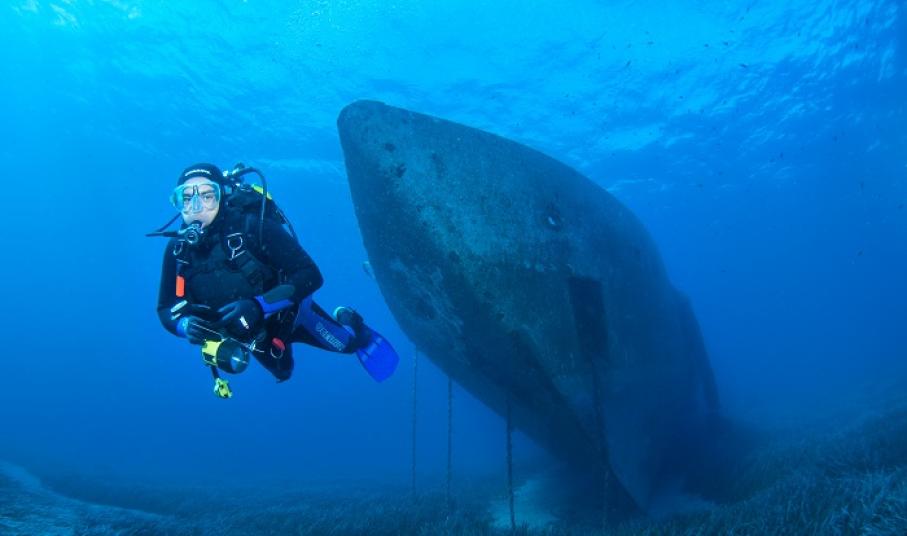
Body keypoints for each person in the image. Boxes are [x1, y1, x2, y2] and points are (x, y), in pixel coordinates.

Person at [155, 163, 392, 384]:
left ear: (222, 197)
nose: (196, 207)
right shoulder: (177, 251)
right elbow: (165, 308)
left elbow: (310, 275)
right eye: (187, 198)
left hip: (293, 316)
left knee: (349, 345)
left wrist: (258, 306)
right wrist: (184, 325)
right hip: (251, 336)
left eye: (207, 196)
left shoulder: (253, 227)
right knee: (283, 372)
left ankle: (351, 321)